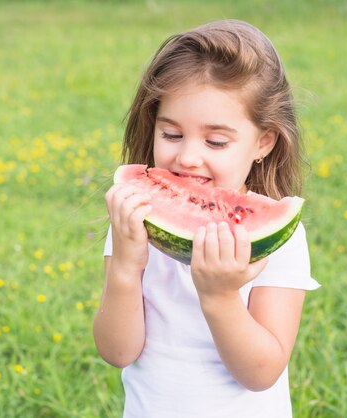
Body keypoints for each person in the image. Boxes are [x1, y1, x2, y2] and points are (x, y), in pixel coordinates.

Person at [92, 19, 320, 417]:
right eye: (172, 135)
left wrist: (220, 297)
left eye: (215, 141)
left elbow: (262, 371)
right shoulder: (136, 220)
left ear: (263, 142)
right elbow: (117, 352)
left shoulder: (281, 240)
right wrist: (126, 267)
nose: (188, 157)